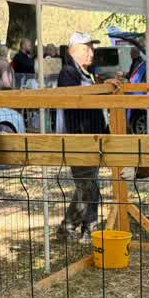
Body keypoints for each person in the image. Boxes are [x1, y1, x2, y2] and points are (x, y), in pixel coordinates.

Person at [55, 33, 105, 238]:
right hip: (78, 139)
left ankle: (86, 228)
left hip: (91, 139)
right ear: (72, 50)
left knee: (90, 186)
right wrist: (100, 90)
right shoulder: (68, 73)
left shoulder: (87, 74)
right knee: (88, 187)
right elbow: (75, 103)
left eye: (91, 48)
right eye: (86, 48)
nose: (91, 53)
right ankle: (71, 227)